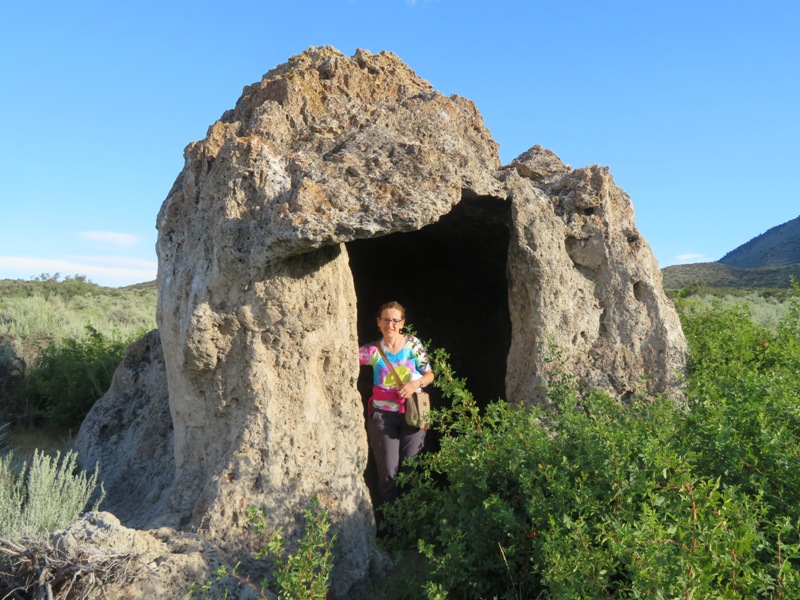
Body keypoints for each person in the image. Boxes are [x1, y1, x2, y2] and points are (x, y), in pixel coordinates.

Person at [359, 301, 434, 505]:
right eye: (386, 320)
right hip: (383, 416)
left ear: (402, 323)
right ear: (378, 322)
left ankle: (408, 525)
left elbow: (430, 375)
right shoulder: (372, 351)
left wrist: (414, 384)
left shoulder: (413, 345)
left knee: (409, 472)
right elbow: (345, 359)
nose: (390, 325)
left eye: (395, 321)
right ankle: (391, 527)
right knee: (388, 474)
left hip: (413, 413)